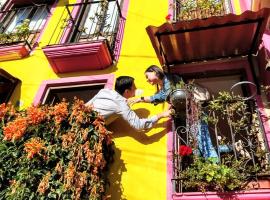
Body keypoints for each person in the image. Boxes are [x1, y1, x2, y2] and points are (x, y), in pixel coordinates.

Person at [85, 76, 171, 131]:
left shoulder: (104, 91)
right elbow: (138, 125)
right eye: (134, 87)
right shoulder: (122, 105)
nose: (136, 88)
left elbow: (86, 106)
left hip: (79, 121)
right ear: (127, 91)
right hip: (88, 130)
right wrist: (161, 115)